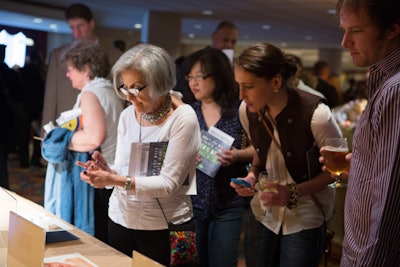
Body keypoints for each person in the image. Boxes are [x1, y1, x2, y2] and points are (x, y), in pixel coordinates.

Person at [77, 44, 201, 266]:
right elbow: (126, 172)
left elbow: (168, 183)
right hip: (120, 219)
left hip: (165, 226)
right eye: (125, 87)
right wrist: (106, 173)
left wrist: (114, 179)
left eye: (137, 88)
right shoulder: (127, 115)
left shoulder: (183, 118)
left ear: (160, 83)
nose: (130, 96)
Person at [231, 42, 342, 267]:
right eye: (239, 85)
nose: (241, 95)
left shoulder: (317, 114)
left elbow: (337, 173)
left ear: (276, 82)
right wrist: (252, 175)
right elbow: (263, 150)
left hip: (305, 215)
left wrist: (293, 192)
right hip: (263, 210)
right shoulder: (247, 110)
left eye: (249, 86)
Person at [325, 0, 400, 265]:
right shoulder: (383, 79)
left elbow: (391, 198)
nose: (345, 42)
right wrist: (359, 169)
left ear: (392, 30)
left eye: (356, 31)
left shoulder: (395, 88)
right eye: (344, 30)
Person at [42, 41, 124, 241]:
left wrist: (59, 138)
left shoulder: (90, 93)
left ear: (85, 69)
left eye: (70, 69)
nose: (68, 74)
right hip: (112, 172)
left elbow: (94, 137)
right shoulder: (108, 90)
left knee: (96, 239)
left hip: (100, 176)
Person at [182, 47, 254, 266]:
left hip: (228, 202)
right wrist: (186, 157)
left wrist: (238, 154)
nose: (193, 83)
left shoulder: (240, 110)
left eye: (200, 77)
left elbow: (258, 148)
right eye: (190, 77)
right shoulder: (187, 112)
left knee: (224, 261)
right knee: (188, 262)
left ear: (219, 76)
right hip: (189, 204)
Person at [41, 3, 122, 137]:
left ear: (91, 24)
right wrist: (46, 133)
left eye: (80, 26)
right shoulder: (58, 55)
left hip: (103, 129)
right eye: (72, 27)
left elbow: (121, 96)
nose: (77, 32)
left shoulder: (113, 55)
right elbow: (50, 99)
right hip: (66, 131)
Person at [175, 20, 239, 104]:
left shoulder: (234, 65)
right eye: (225, 40)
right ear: (214, 36)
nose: (229, 45)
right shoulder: (195, 61)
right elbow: (181, 90)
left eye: (233, 42)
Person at [19, 49, 46, 167]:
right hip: (36, 108)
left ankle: (24, 161)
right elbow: (42, 91)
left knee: (23, 136)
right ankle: (35, 159)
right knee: (36, 135)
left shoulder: (22, 71)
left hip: (24, 107)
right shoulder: (40, 72)